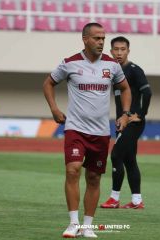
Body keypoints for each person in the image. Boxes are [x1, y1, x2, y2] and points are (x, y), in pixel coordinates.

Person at [43, 23, 131, 238]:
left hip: (101, 132)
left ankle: (87, 226)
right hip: (75, 129)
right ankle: (73, 223)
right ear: (85, 39)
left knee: (94, 178)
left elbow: (125, 88)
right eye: (97, 38)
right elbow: (48, 83)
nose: (101, 42)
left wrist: (125, 114)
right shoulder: (69, 63)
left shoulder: (113, 66)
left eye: (103, 38)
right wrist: (54, 109)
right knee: (73, 170)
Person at [100, 36, 152, 210]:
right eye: (116, 49)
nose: (119, 53)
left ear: (128, 51)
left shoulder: (135, 70)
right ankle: (137, 201)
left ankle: (114, 199)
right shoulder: (113, 71)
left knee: (115, 155)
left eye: (123, 49)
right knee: (130, 160)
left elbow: (148, 92)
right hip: (121, 122)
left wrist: (141, 115)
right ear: (111, 51)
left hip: (132, 122)